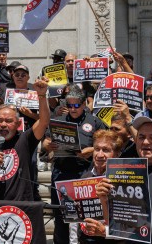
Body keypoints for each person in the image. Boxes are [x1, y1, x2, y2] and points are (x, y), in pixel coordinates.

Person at [0, 77, 50, 201]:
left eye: (9, 121)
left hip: (19, 205)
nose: (3, 124)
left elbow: (43, 122)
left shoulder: (25, 139)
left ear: (18, 124)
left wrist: (42, 96)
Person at [42, 84, 106, 244]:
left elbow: (106, 143)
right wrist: (47, 145)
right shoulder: (58, 120)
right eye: (69, 105)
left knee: (85, 215)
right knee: (61, 215)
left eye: (76, 105)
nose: (72, 109)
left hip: (84, 173)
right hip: (61, 173)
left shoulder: (95, 121)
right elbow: (46, 141)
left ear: (84, 104)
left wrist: (90, 150)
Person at [77, 130, 124, 244]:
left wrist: (105, 231)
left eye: (106, 150)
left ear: (117, 154)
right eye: (97, 149)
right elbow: (76, 218)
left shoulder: (123, 180)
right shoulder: (85, 177)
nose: (100, 155)